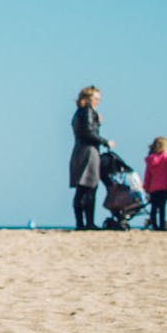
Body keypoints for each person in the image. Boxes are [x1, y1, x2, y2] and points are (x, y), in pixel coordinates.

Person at [69, 86, 113, 230]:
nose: (97, 102)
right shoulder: (88, 111)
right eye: (96, 98)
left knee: (82, 189)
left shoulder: (78, 113)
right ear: (88, 98)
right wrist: (105, 141)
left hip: (79, 151)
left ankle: (81, 223)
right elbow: (88, 132)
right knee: (89, 188)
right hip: (89, 152)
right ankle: (88, 223)